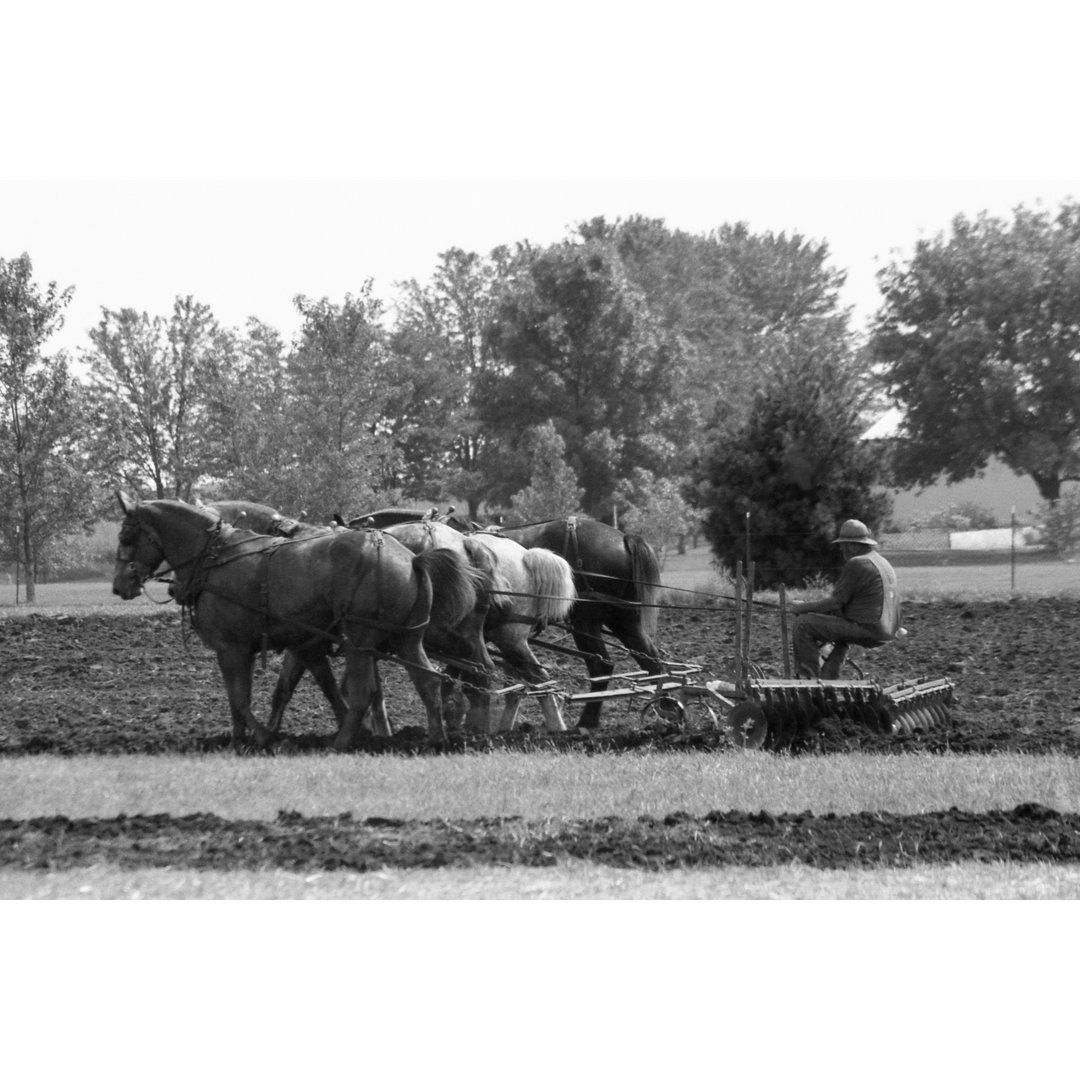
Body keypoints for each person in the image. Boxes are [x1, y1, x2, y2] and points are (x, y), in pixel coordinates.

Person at [788, 519, 902, 679]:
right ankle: (830, 675)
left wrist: (801, 608)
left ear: (852, 545)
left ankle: (809, 680)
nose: (841, 550)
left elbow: (835, 602)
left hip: (869, 628)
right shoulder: (882, 562)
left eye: (842, 545)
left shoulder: (857, 563)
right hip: (888, 628)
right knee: (838, 627)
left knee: (803, 624)